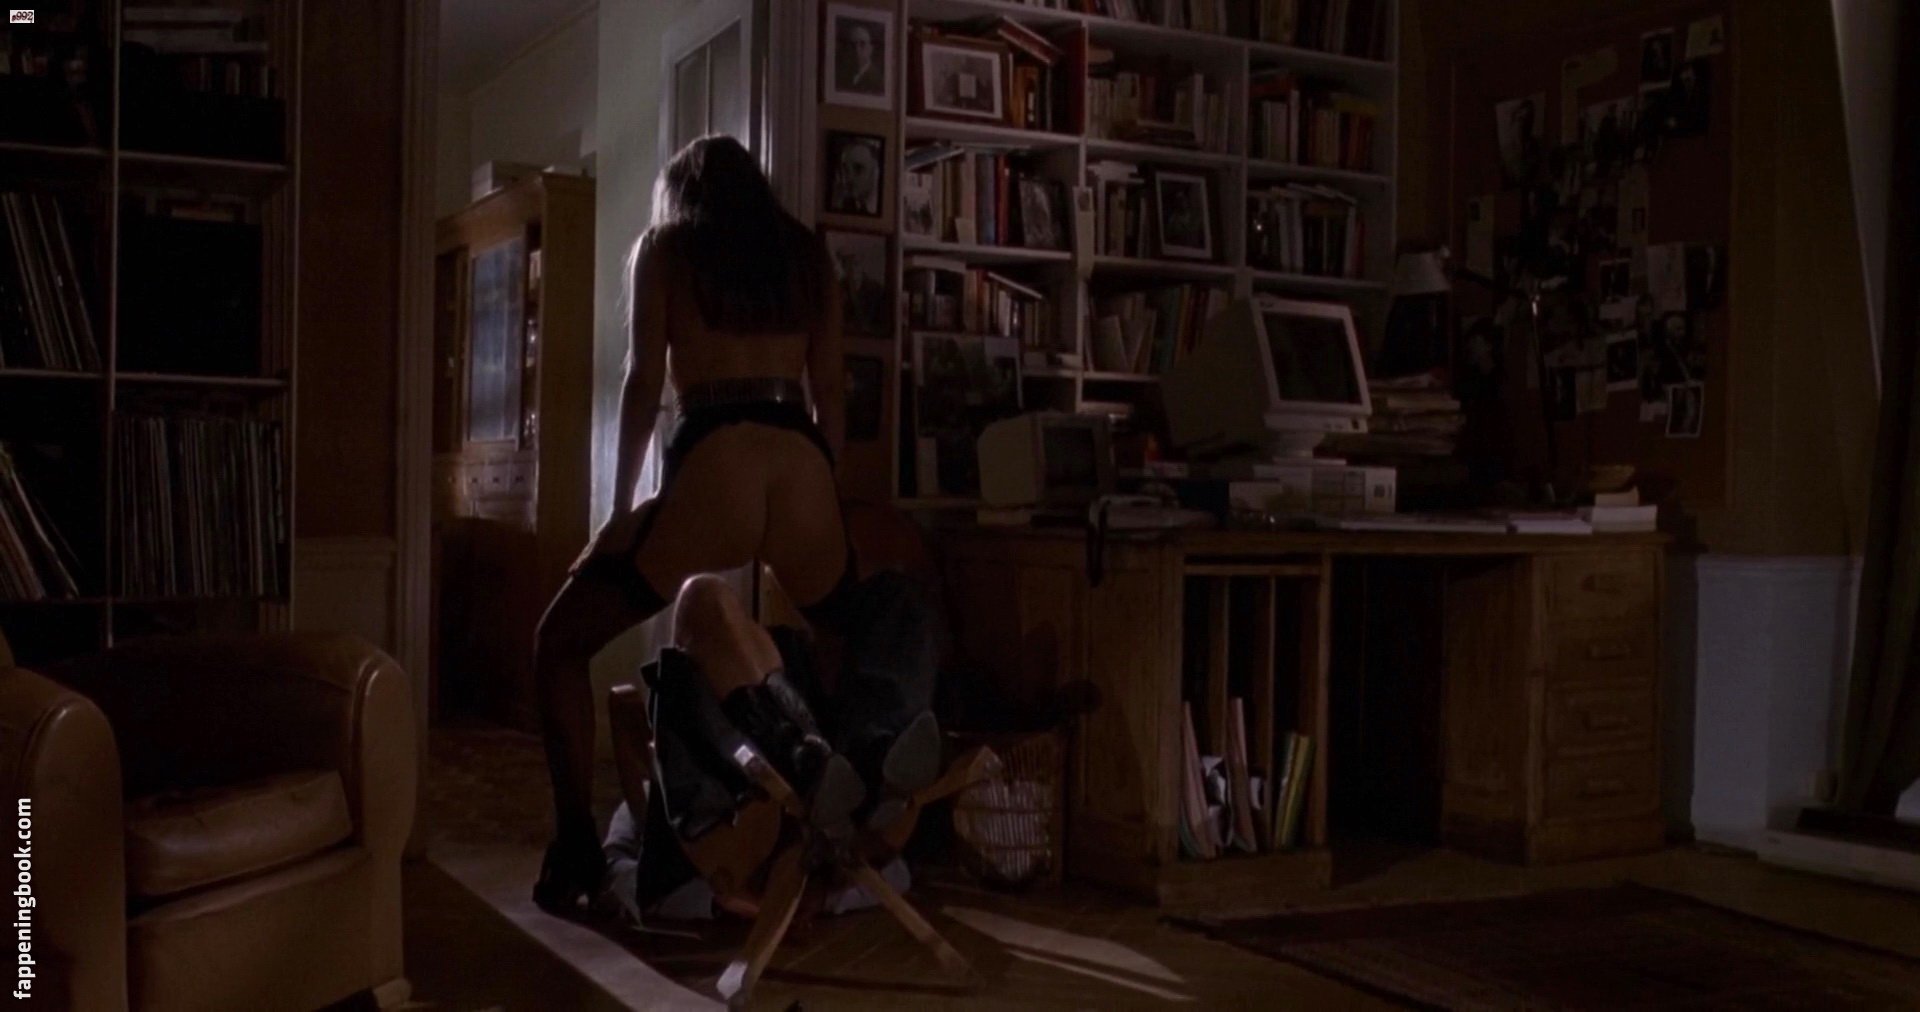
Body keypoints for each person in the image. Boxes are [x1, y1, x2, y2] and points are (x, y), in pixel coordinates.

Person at [531, 135, 936, 915]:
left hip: (715, 459)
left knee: (558, 643)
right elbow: (832, 396)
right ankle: (864, 772)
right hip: (799, 461)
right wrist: (823, 493)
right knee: (864, 620)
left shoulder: (666, 247)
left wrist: (621, 511)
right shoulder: (805, 255)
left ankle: (575, 848)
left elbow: (643, 383)